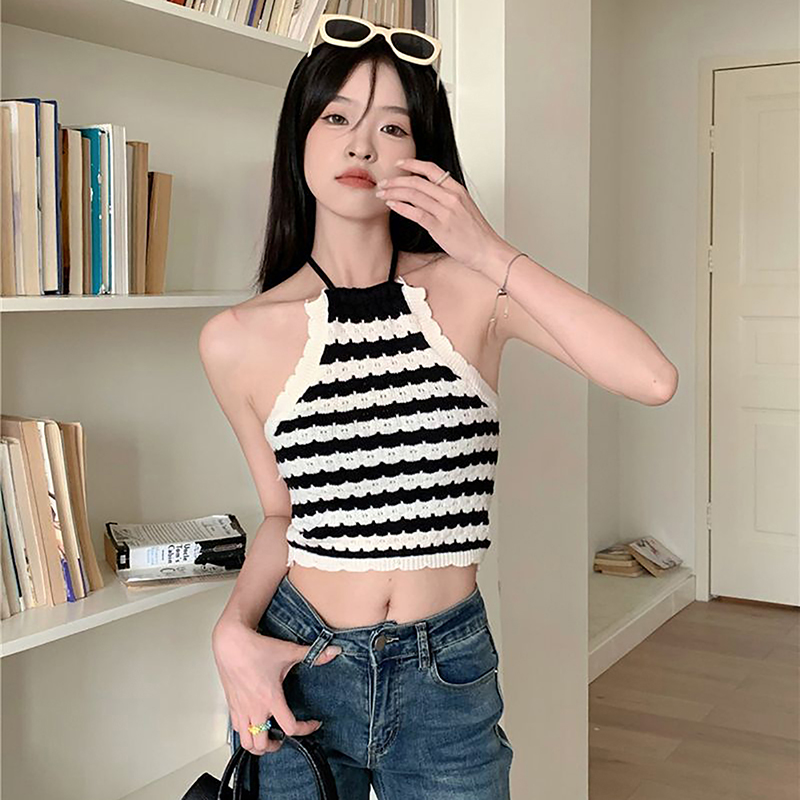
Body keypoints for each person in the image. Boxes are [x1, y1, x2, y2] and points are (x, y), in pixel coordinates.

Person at [199, 14, 678, 800]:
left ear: (423, 156)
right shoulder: (235, 338)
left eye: (392, 127)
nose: (362, 146)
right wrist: (231, 631)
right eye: (337, 118)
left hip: (444, 675)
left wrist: (486, 248)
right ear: (300, 137)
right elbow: (282, 516)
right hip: (297, 661)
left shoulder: (471, 292)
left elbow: (651, 378)